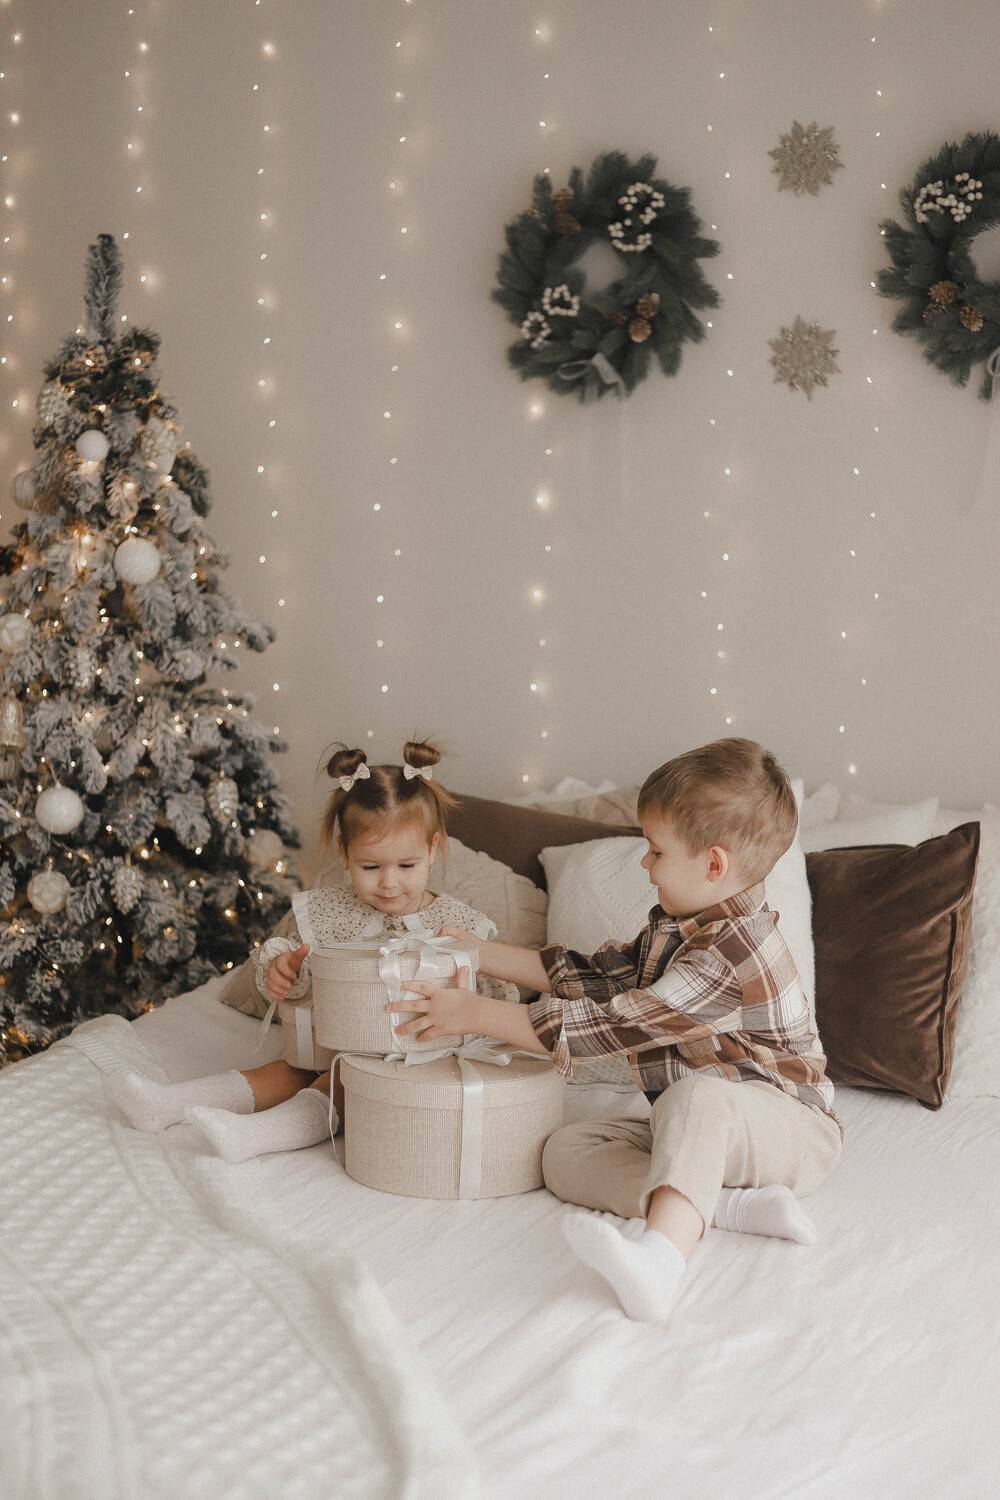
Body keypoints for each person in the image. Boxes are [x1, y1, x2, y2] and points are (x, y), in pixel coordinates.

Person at [390, 737, 842, 1324]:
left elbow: (611, 1025)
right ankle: (728, 1206)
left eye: (655, 851)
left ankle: (661, 1260)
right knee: (564, 1154)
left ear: (713, 864)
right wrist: (480, 953)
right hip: (706, 1131)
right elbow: (595, 978)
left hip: (792, 1132)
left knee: (697, 1096)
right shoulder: (677, 926)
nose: (644, 864)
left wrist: (475, 1014)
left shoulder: (730, 955)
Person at [109, 739, 516, 1161]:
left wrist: (469, 1005)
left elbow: (496, 1002)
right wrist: (283, 971)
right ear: (345, 854)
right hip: (334, 1044)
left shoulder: (459, 924)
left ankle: (255, 1135)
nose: (389, 883)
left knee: (344, 1075)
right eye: (371, 867)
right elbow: (295, 969)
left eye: (406, 866)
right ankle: (168, 1103)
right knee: (291, 1068)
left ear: (432, 849)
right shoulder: (331, 911)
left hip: (414, 1059)